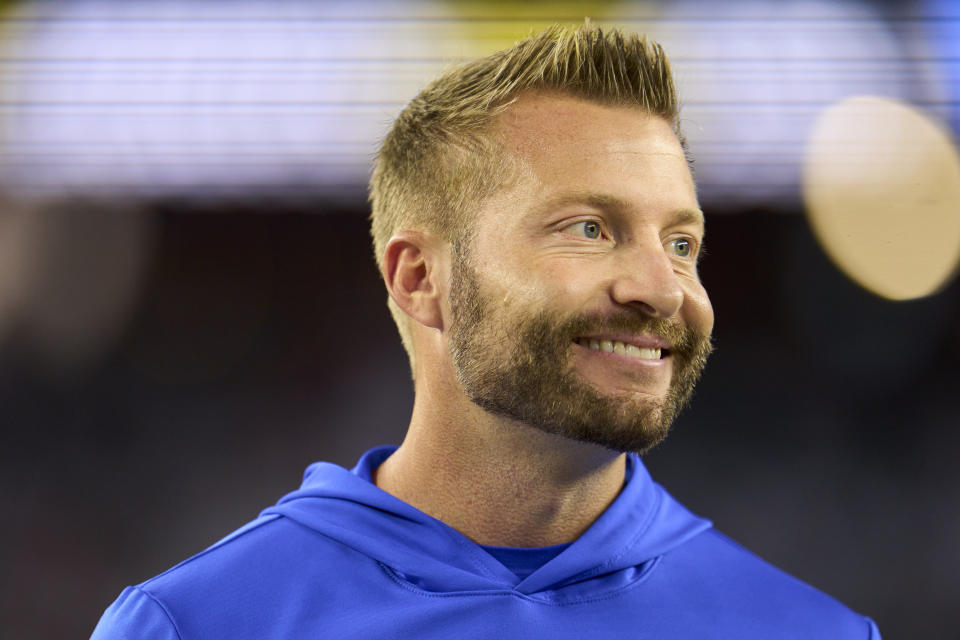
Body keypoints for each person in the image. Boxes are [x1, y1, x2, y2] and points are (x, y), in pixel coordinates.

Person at [92, 24, 881, 639]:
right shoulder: (196, 626)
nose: (661, 288)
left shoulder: (814, 632)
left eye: (681, 243)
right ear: (420, 279)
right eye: (588, 228)